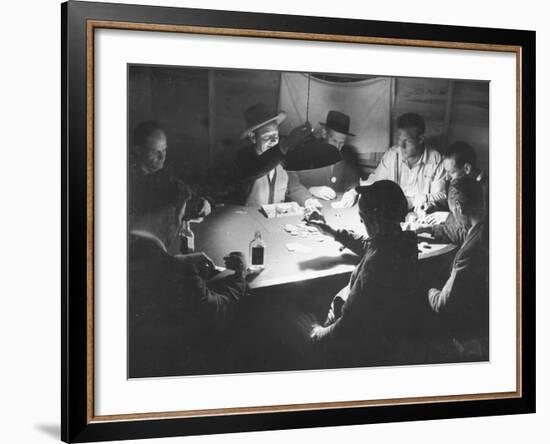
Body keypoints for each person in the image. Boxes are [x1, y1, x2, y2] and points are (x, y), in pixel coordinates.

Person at [128, 177, 249, 377]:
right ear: (169, 215)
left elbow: (151, 265)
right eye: (181, 216)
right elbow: (217, 310)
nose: (180, 225)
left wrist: (180, 259)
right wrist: (239, 276)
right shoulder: (178, 272)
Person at [305, 181, 421, 366]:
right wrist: (334, 233)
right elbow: (371, 244)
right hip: (388, 330)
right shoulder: (404, 241)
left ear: (374, 219)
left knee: (291, 315)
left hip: (359, 344)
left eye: (362, 217)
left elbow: (347, 327)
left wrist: (316, 334)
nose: (361, 222)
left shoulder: (375, 263)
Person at [427, 177, 489, 360]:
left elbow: (442, 305)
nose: (454, 216)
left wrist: (425, 287)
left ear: (460, 209)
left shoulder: (469, 253)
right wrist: (427, 229)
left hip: (469, 327)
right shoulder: (487, 225)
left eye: (453, 212)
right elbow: (463, 232)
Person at [358, 113, 446, 211]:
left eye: (407, 141)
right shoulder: (392, 155)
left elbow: (442, 197)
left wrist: (413, 201)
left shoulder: (436, 160)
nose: (402, 146)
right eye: (399, 140)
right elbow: (375, 181)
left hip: (421, 214)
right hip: (392, 213)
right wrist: (356, 191)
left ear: (420, 139)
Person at [130, 120, 211, 223]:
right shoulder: (131, 182)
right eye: (155, 152)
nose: (162, 157)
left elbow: (190, 194)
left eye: (164, 150)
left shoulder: (161, 174)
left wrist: (203, 203)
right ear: (138, 150)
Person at [233, 102, 312, 207]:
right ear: (253, 138)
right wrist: (287, 144)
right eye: (267, 137)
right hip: (249, 220)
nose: (274, 141)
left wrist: (308, 200)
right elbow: (259, 167)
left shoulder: (284, 159)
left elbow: (294, 187)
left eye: (275, 135)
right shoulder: (244, 159)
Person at [286, 110, 361, 208]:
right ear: (324, 133)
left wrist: (352, 192)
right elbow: (292, 185)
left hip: (336, 208)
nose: (337, 147)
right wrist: (311, 189)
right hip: (309, 205)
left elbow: (354, 180)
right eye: (334, 141)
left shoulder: (348, 154)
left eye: (341, 142)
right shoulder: (307, 151)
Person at [417, 141, 488, 241]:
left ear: (467, 168)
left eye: (451, 173)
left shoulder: (486, 192)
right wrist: (434, 205)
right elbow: (455, 202)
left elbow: (469, 232)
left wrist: (447, 217)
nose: (446, 177)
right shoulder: (461, 182)